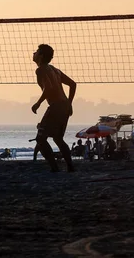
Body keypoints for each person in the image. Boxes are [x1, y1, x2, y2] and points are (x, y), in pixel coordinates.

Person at [31, 44, 76, 172]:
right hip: (64, 106)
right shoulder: (55, 70)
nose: (33, 53)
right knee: (58, 138)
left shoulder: (41, 70)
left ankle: (54, 168)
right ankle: (70, 167)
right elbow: (73, 84)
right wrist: (69, 103)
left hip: (56, 106)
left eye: (36, 51)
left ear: (41, 56)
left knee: (41, 139)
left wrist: (38, 103)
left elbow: (49, 88)